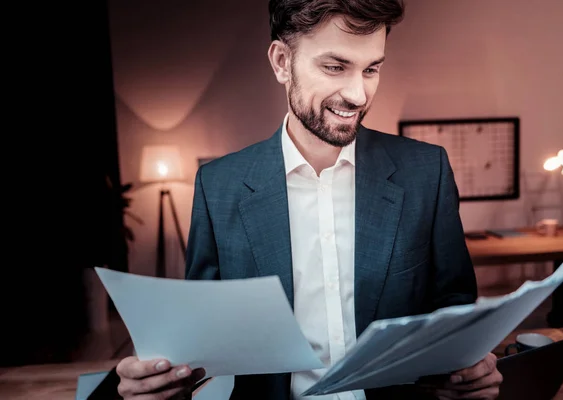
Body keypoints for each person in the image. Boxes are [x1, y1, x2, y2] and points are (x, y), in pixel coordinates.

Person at [115, 0, 504, 399]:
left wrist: (467, 372)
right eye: (335, 67)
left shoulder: (427, 172)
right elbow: (202, 346)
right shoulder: (219, 187)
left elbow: (455, 310)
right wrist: (161, 383)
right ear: (282, 62)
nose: (358, 94)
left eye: (371, 69)